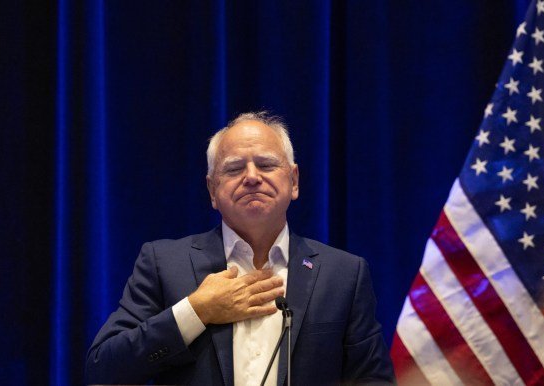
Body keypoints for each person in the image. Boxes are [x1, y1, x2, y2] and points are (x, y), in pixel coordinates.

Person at [85, 112, 395, 385]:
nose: (251, 177)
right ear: (212, 191)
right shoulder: (164, 263)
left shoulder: (343, 274)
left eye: (266, 164)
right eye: (234, 169)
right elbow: (105, 368)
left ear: (294, 181)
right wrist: (196, 311)